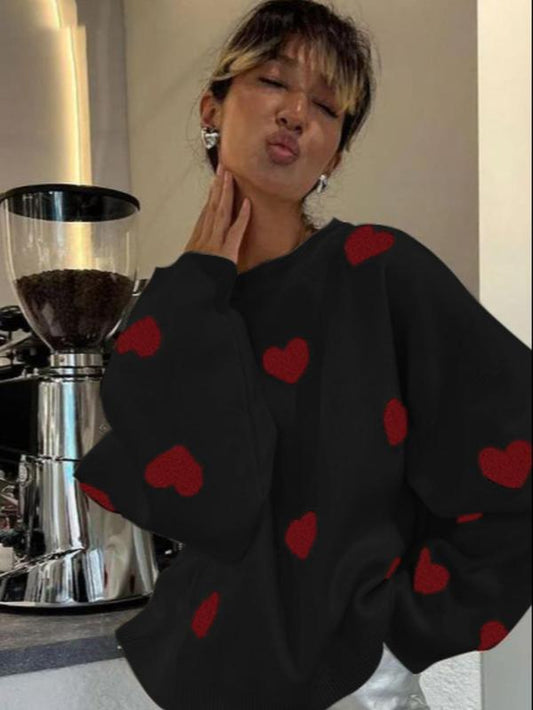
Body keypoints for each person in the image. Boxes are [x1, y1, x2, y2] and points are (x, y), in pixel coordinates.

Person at [74, 2, 531, 709]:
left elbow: (517, 453)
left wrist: (395, 647)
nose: (295, 114)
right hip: (204, 679)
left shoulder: (377, 271)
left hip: (353, 690)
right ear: (212, 107)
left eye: (325, 106)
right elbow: (208, 503)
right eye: (272, 81)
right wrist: (195, 290)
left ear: (335, 153)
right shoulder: (171, 312)